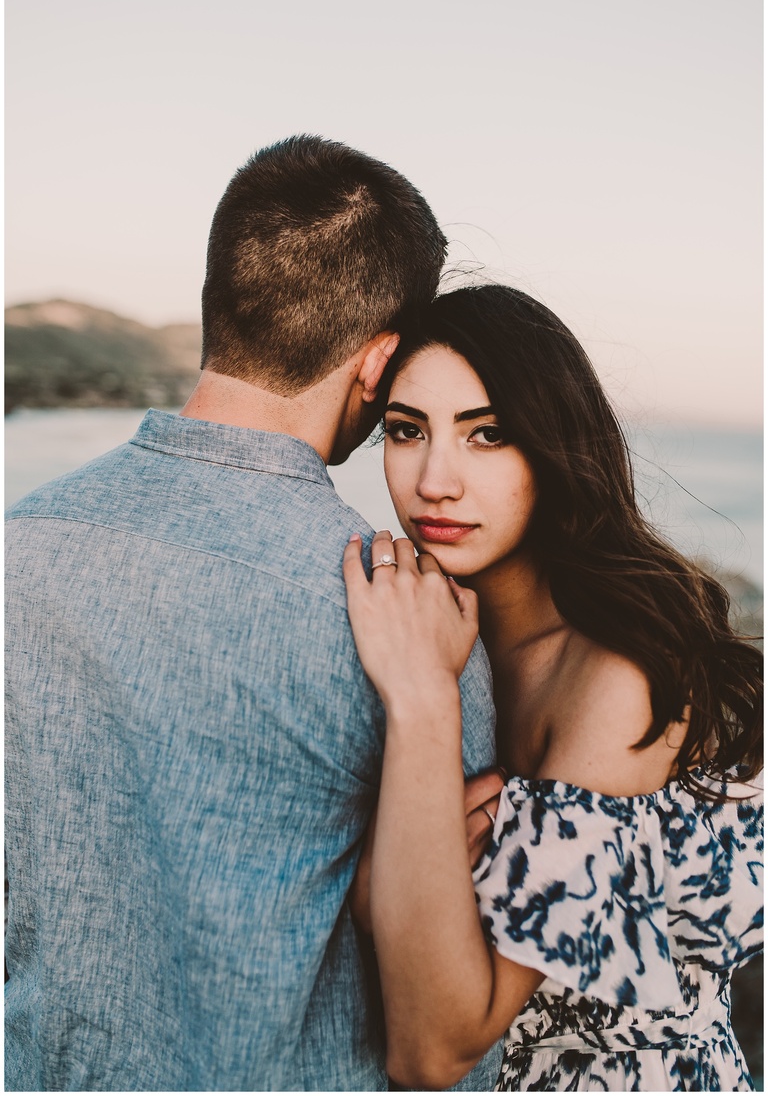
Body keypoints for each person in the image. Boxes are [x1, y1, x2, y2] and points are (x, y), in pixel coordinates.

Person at [5, 137, 504, 1091]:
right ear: (381, 363)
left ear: (215, 306)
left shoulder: (16, 548)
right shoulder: (404, 616)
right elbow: (445, 1003)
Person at [343, 284, 764, 1092]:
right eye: (406, 431)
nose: (435, 481)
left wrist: (424, 701)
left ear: (553, 445)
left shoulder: (615, 679)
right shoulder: (423, 621)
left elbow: (435, 1049)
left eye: (488, 435)